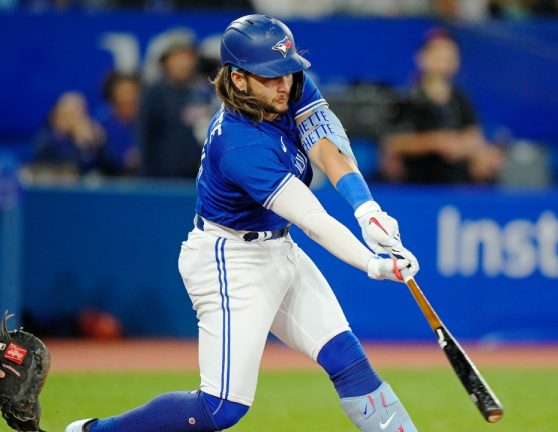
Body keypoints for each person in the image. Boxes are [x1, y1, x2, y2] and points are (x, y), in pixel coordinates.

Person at [66, 14, 419, 432]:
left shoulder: (291, 87)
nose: (283, 83)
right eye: (269, 77)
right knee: (220, 408)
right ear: (237, 79)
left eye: (286, 72)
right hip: (230, 261)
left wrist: (366, 208)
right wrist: (373, 264)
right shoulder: (239, 144)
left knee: (349, 362)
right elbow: (312, 219)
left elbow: (327, 146)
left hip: (278, 248)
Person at [382, 28, 504, 184]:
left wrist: (474, 150)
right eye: (439, 56)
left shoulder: (460, 99)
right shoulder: (406, 97)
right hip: (417, 182)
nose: (445, 62)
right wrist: (436, 142)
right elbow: (393, 143)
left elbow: (473, 135)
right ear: (422, 58)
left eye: (450, 57)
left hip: (456, 181)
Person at [136, 28, 215, 178]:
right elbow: (144, 136)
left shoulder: (205, 91)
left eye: (187, 56)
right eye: (176, 57)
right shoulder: (154, 92)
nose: (182, 63)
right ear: (165, 62)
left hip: (200, 179)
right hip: (163, 180)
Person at [26, 91, 111, 178]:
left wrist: (100, 144)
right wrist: (81, 145)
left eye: (81, 112)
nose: (79, 118)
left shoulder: (87, 137)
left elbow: (107, 169)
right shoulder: (46, 139)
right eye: (72, 112)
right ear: (58, 114)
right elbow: (70, 170)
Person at [95, 71, 142, 176]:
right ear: (112, 93)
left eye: (132, 91)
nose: (127, 96)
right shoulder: (100, 122)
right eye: (122, 91)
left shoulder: (149, 123)